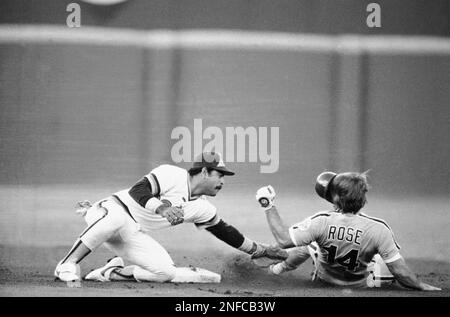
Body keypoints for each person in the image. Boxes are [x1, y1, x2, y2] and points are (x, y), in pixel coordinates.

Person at [54, 152, 287, 284]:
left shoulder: (203, 208)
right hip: (110, 210)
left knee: (164, 272)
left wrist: (259, 250)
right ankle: (67, 264)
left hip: (132, 233)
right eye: (220, 175)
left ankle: (110, 272)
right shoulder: (172, 174)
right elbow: (139, 190)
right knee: (115, 219)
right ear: (204, 172)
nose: (223, 181)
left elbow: (226, 232)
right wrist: (161, 209)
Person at [254, 171, 441, 291]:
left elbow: (283, 239)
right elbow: (400, 272)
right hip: (360, 286)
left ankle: (275, 271)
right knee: (382, 261)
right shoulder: (378, 228)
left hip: (324, 284)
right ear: (363, 196)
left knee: (310, 244)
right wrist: (422, 287)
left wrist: (267, 204)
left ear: (335, 199)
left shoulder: (321, 222)